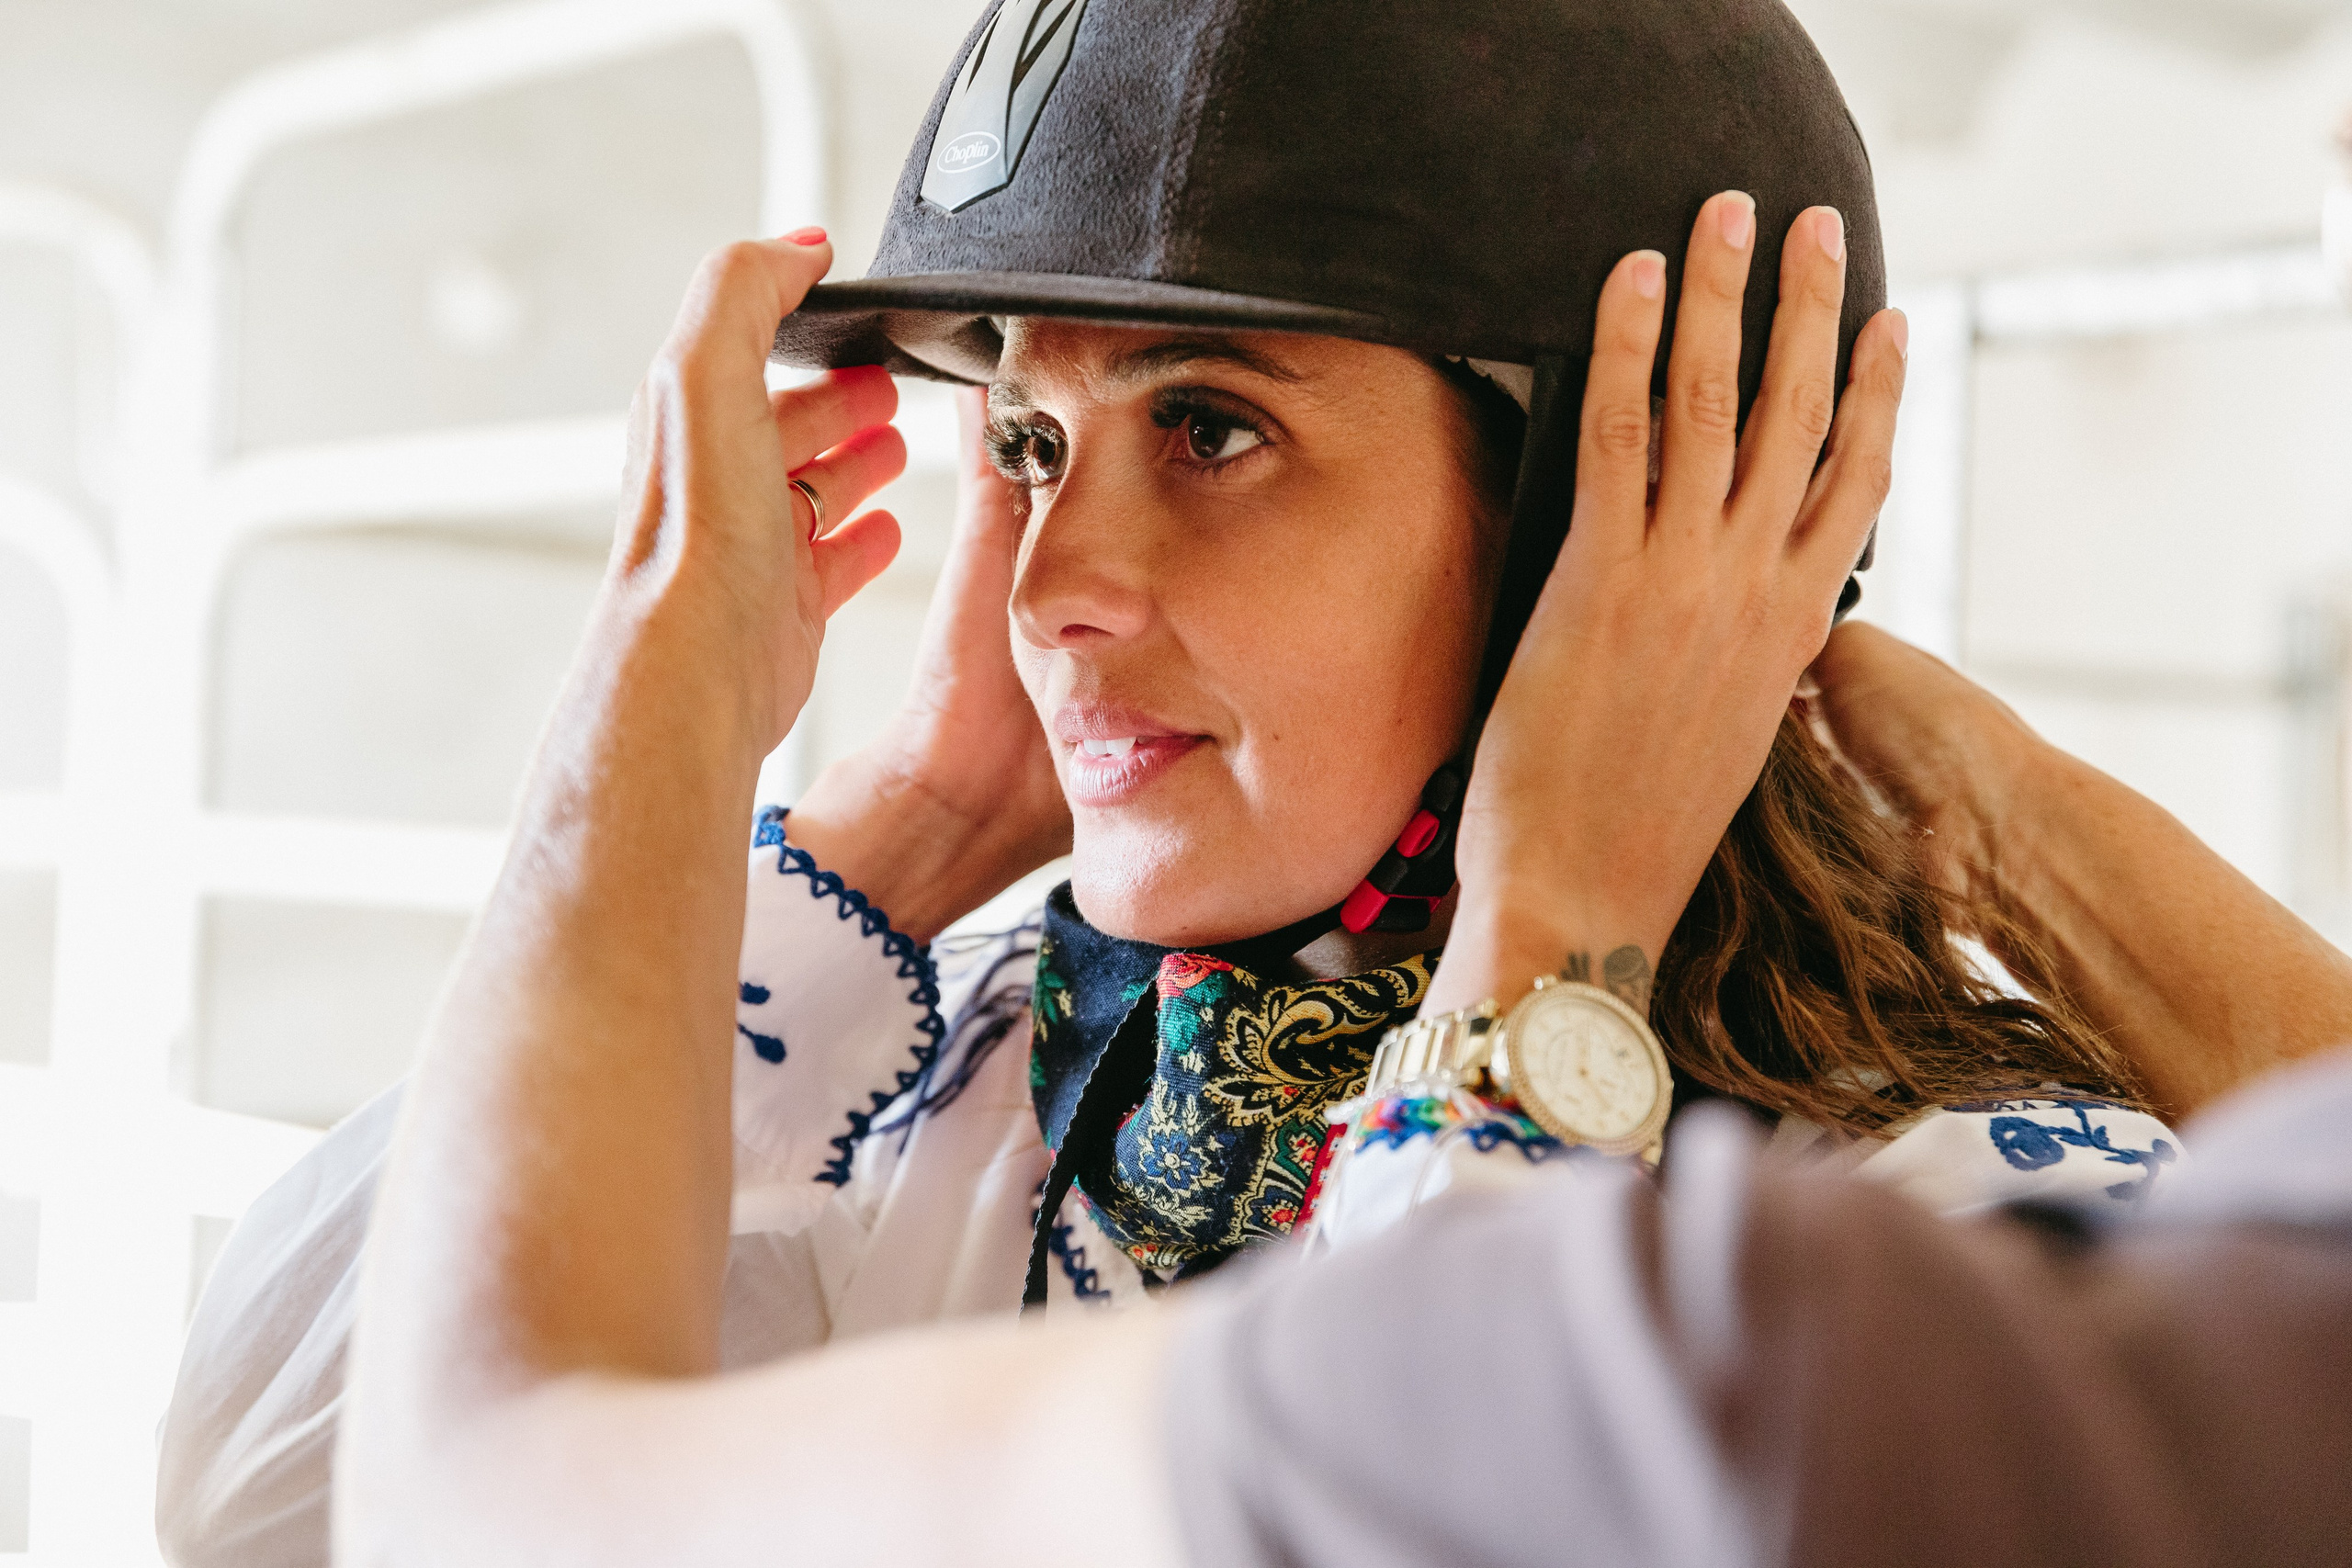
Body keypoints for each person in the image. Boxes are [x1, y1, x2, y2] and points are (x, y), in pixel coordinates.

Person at [160, 0, 2183, 1559]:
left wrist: (1543, 950)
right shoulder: (970, 1092)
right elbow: (278, 1498)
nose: (1052, 587)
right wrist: (898, 830)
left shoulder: (1972, 1236)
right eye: (1028, 444)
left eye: (1206, 429)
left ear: (1611, 519)